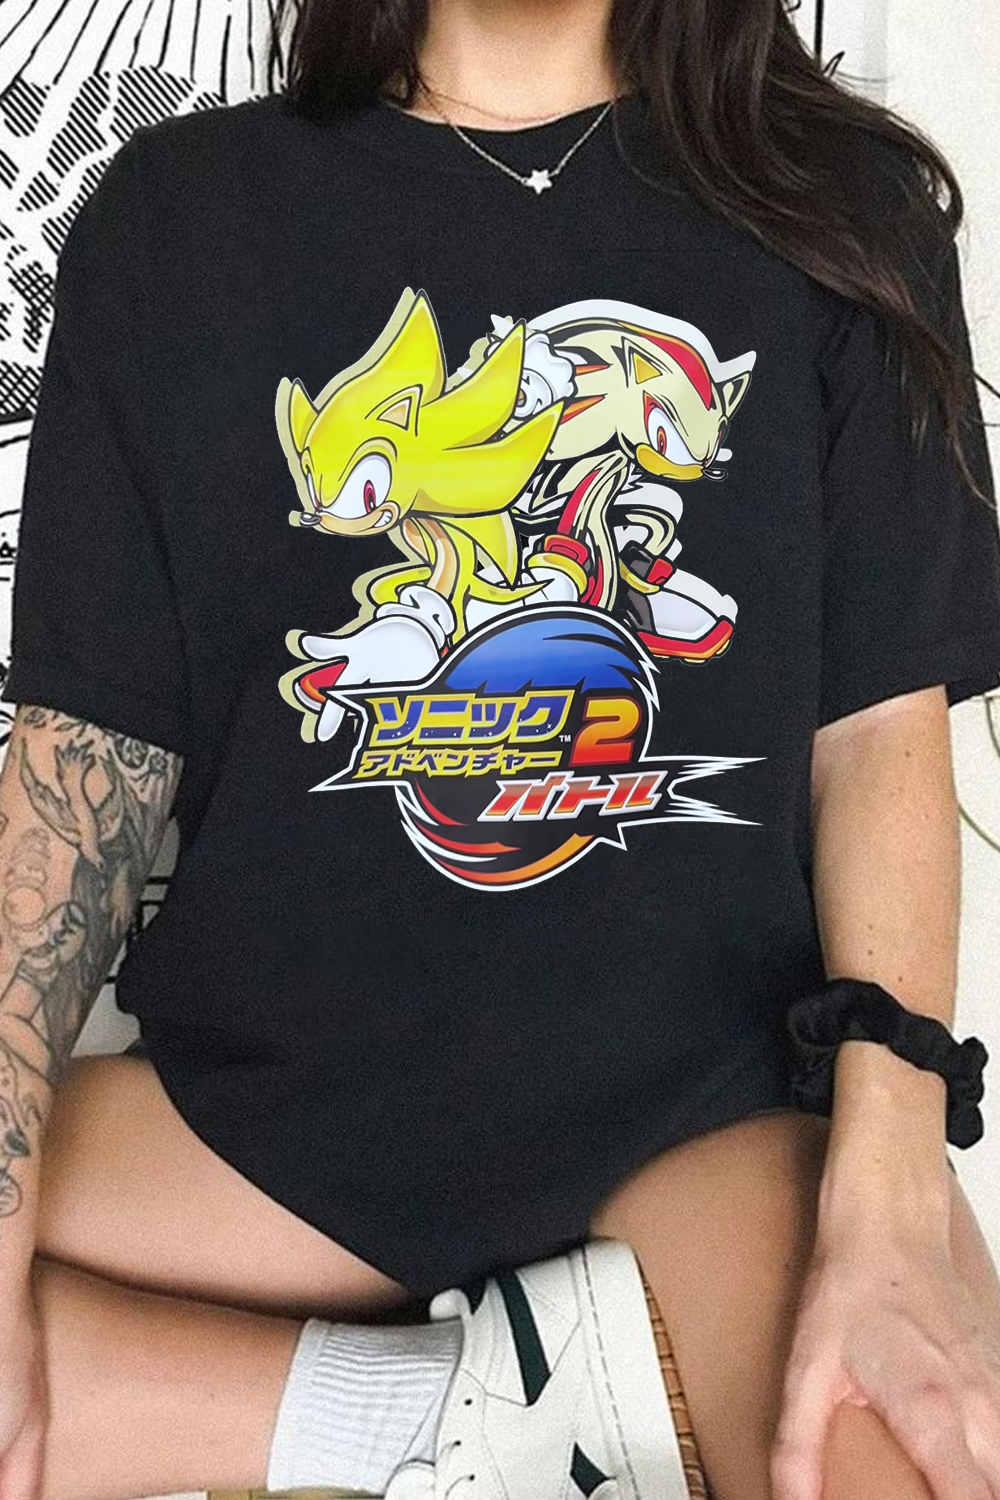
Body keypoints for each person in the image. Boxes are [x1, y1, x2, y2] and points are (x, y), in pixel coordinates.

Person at [1, 0, 1000, 1497]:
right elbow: (79, 770)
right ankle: (441, 1408)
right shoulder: (177, 217)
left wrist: (891, 1204)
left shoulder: (842, 207)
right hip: (273, 1118)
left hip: (707, 1118)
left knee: (901, 1457)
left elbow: (879, 743)